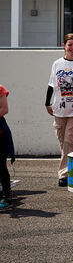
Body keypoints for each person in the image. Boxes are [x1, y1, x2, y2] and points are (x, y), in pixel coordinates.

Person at [46, 33, 73, 186]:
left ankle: (65, 175)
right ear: (64, 46)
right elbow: (51, 85)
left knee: (71, 140)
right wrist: (47, 103)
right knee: (63, 141)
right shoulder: (57, 64)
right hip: (59, 108)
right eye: (70, 45)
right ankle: (72, 170)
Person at [0, 82, 14, 210]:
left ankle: (6, 196)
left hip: (0, 133)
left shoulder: (0, 89)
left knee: (1, 166)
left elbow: (4, 109)